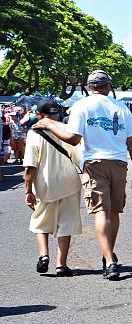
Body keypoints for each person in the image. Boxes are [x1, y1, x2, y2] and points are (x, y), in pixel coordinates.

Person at [34, 70, 132, 280]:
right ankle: (108, 253)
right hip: (119, 163)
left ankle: (110, 260)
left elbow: (73, 139)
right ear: (108, 87)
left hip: (93, 163)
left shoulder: (81, 106)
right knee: (113, 212)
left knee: (101, 211)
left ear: (88, 86)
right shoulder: (122, 108)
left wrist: (48, 124)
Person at [23, 99, 83, 277]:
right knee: (67, 223)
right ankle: (61, 265)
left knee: (41, 221)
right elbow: (80, 159)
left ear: (39, 115)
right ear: (58, 114)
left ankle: (44, 256)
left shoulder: (33, 134)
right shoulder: (68, 132)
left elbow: (29, 167)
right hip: (69, 182)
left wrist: (28, 190)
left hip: (45, 183)